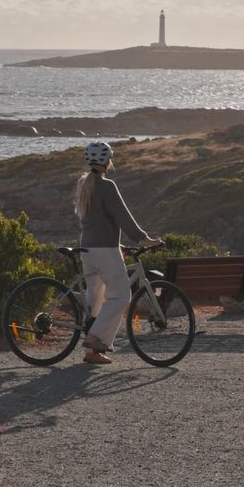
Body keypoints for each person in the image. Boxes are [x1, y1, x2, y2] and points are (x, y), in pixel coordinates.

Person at [74, 140, 160, 364]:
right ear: (107, 161)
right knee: (122, 296)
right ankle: (95, 337)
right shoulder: (107, 185)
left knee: (96, 299)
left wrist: (116, 242)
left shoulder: (84, 184)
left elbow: (94, 220)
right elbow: (123, 217)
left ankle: (93, 352)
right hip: (104, 250)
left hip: (87, 248)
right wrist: (143, 238)